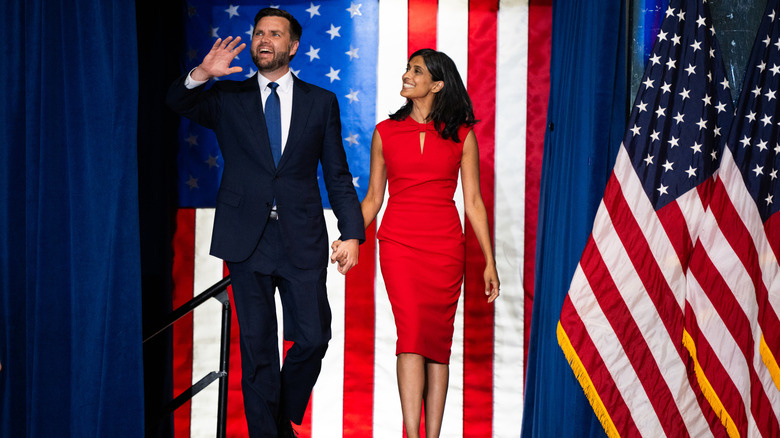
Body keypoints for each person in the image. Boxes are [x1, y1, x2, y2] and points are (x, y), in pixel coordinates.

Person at [167, 8, 364, 438]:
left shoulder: (320, 102)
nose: (264, 40)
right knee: (258, 352)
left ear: (292, 47)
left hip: (302, 237)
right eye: (259, 33)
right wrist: (202, 72)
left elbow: (336, 173)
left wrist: (351, 233)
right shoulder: (227, 99)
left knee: (313, 337)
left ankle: (278, 420)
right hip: (246, 239)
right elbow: (176, 102)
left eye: (274, 34)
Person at [331, 48, 500, 438]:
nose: (407, 74)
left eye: (416, 70)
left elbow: (473, 201)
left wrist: (489, 261)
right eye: (408, 67)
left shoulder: (463, 135)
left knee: (437, 343)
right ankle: (411, 433)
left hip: (445, 247)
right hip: (399, 245)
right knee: (410, 336)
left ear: (436, 85)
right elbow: (373, 197)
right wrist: (349, 235)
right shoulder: (385, 132)